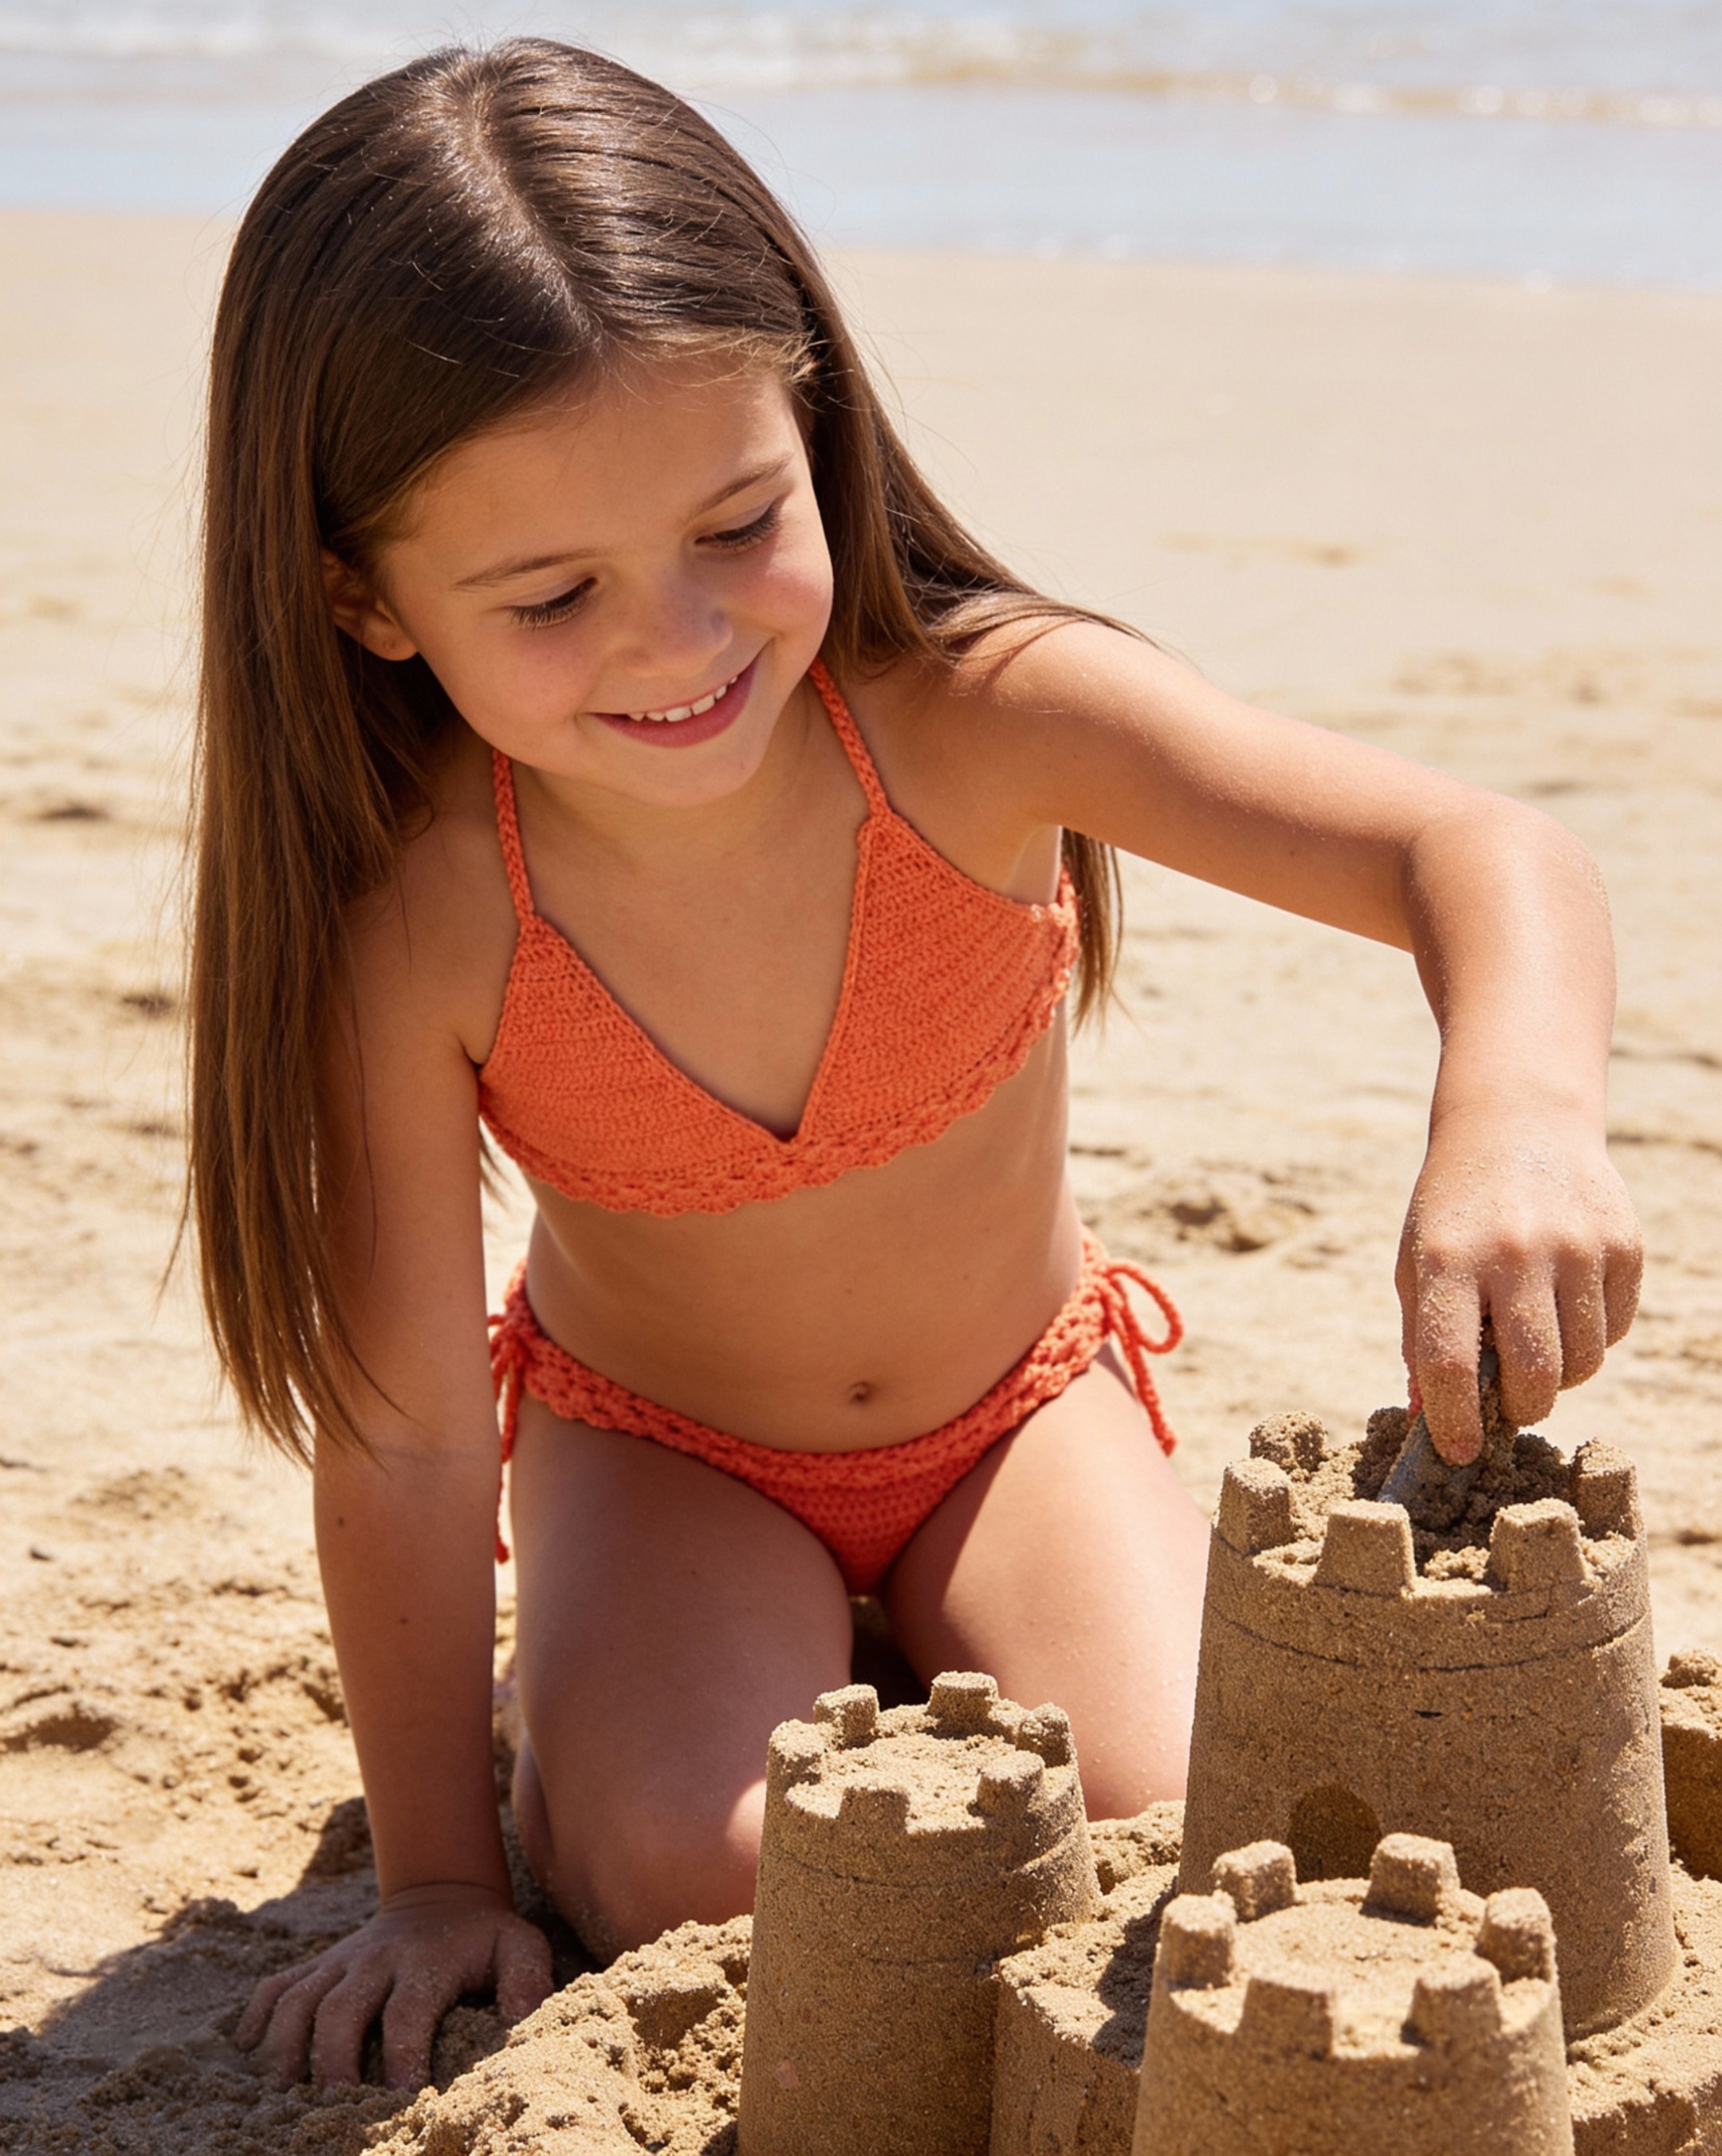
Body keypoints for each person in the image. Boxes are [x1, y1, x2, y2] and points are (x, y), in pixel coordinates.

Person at [191, 39, 1641, 2091]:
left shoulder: (978, 716)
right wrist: (433, 1877)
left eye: (735, 521)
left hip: (1012, 1410)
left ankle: (877, 1636)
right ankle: (658, 1691)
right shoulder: (425, 913)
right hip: (661, 1452)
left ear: (813, 423)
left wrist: (1519, 1114)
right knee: (710, 1886)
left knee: (1172, 1825)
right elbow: (415, 1442)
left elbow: (1480, 851)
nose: (679, 639)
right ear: (366, 598)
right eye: (553, 594)